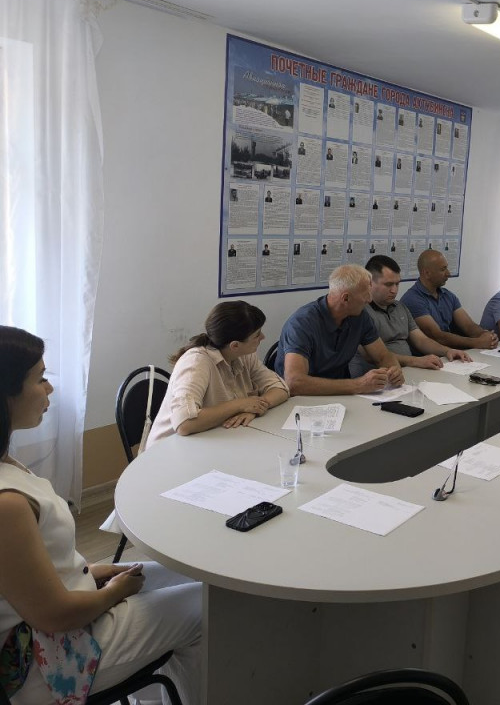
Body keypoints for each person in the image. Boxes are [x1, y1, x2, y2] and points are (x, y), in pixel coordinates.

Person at [0, 326, 201, 704]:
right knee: (207, 611)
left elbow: (25, 573)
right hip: (47, 660)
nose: (50, 388)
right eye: (40, 379)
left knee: (195, 579)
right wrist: (113, 593)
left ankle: (155, 685)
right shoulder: (7, 503)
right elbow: (55, 615)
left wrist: (87, 572)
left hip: (58, 611)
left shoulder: (7, 464)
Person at [148, 301, 289, 447]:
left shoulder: (243, 354)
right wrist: (240, 405)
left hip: (210, 441)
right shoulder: (196, 362)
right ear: (235, 345)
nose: (263, 337)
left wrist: (254, 409)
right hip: (169, 450)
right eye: (257, 335)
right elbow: (184, 424)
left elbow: (280, 388)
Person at [275, 264, 404, 395]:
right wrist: (359, 384)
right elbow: (295, 383)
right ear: (345, 298)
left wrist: (394, 370)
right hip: (301, 398)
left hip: (341, 393)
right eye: (365, 294)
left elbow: (382, 356)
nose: (369, 299)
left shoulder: (359, 316)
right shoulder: (302, 323)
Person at [350, 256, 474, 377]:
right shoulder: (359, 312)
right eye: (388, 284)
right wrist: (415, 361)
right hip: (374, 379)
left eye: (397, 284)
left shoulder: (400, 307)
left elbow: (421, 340)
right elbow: (371, 355)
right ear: (370, 283)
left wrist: (447, 351)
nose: (394, 290)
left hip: (407, 373)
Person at [402, 249, 499, 350]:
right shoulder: (413, 299)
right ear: (427, 273)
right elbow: (437, 336)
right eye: (443, 269)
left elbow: (468, 325)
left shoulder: (448, 295)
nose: (448, 273)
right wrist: (476, 342)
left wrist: (485, 335)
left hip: (453, 353)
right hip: (431, 356)